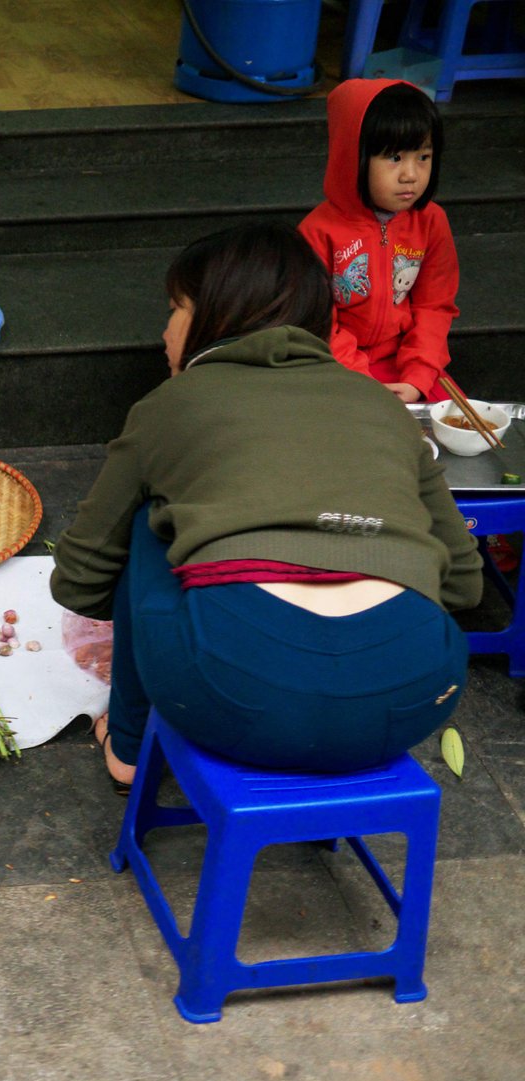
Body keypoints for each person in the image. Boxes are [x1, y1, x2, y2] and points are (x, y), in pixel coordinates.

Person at [50, 222, 482, 792]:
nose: (164, 331)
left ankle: (129, 749)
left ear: (216, 318)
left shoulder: (171, 404)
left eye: (175, 309)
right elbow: (464, 585)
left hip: (231, 697)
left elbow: (80, 580)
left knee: (144, 525)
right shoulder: (381, 406)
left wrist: (198, 573)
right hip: (412, 699)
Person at [298, 79, 457, 404]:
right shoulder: (316, 232)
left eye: (423, 156)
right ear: (351, 156)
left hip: (406, 364)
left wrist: (419, 375)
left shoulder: (431, 221)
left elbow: (434, 306)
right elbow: (315, 323)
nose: (411, 174)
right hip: (334, 366)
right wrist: (361, 381)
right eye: (395, 158)